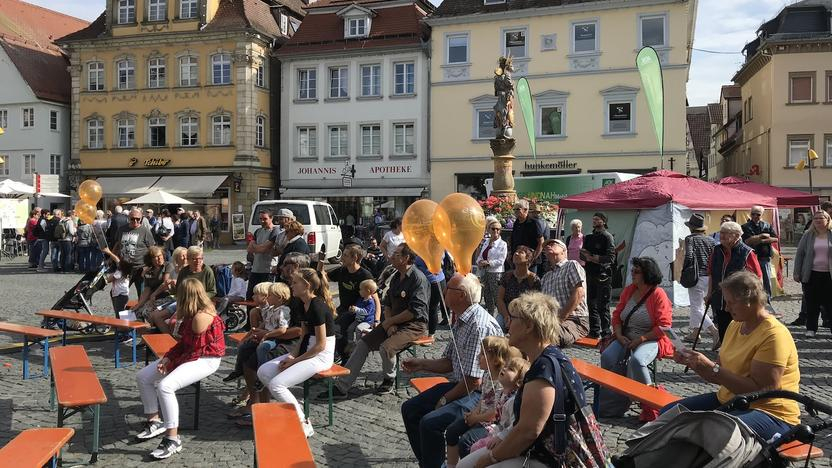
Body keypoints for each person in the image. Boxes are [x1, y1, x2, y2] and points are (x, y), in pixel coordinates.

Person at [663, 271, 799, 441]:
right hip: (732, 401)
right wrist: (695, 363)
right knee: (668, 415)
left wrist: (712, 368)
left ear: (750, 300)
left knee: (709, 432)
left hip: (770, 412)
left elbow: (762, 391)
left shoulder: (773, 334)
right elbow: (720, 374)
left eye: (731, 303)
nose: (726, 308)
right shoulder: (735, 325)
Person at [458, 291, 588, 468]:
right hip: (537, 451)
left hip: (552, 459)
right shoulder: (544, 359)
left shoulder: (544, 368)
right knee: (464, 465)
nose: (508, 323)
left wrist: (490, 458)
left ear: (528, 326)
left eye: (513, 318)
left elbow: (528, 431)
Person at [401, 273, 504, 468]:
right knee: (410, 409)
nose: (444, 290)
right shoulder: (462, 318)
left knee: (430, 423)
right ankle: (430, 463)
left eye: (448, 288)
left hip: (480, 392)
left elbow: (474, 381)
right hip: (463, 384)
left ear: (461, 295)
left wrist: (444, 399)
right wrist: (421, 364)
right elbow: (450, 362)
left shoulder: (478, 325)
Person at [135, 278, 225, 459]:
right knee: (143, 377)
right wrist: (168, 358)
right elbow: (184, 345)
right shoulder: (194, 312)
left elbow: (193, 351)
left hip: (207, 359)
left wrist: (171, 363)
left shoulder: (200, 317)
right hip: (193, 354)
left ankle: (172, 438)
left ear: (184, 296)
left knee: (165, 386)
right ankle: (154, 421)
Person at [331, 243, 430, 397]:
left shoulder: (418, 279)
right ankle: (342, 386)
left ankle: (389, 379)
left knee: (386, 347)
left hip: (413, 325)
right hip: (393, 322)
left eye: (396, 254)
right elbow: (387, 303)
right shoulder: (396, 276)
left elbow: (414, 312)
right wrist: (389, 323)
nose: (391, 256)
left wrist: (390, 322)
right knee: (363, 343)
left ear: (406, 258)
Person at [257, 268, 336, 438]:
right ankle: (295, 406)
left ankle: (303, 422)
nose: (291, 285)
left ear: (306, 285)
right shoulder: (302, 304)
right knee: (263, 371)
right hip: (307, 350)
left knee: (277, 385)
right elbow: (303, 337)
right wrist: (292, 355)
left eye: (295, 283)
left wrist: (293, 361)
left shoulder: (317, 306)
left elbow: (320, 345)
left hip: (321, 356)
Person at [599, 257, 674, 417]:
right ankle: (611, 404)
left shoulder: (658, 294)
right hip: (625, 336)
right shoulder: (629, 290)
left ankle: (652, 403)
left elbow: (664, 325)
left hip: (651, 338)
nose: (632, 273)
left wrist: (641, 339)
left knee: (637, 360)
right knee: (607, 357)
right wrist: (619, 335)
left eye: (636, 271)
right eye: (632, 270)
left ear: (647, 274)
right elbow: (617, 316)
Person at [445, 336, 521, 467]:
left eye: (482, 354)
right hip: (480, 417)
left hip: (492, 423)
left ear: (495, 360)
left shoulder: (501, 383)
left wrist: (476, 418)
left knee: (466, 442)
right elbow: (483, 399)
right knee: (452, 431)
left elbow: (496, 413)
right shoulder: (487, 375)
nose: (477, 357)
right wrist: (474, 413)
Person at [317, 244, 377, 361]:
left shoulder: (365, 275)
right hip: (343, 309)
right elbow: (323, 277)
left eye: (345, 255)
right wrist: (321, 261)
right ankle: (339, 353)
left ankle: (345, 355)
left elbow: (375, 298)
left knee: (335, 329)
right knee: (325, 324)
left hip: (357, 312)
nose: (342, 258)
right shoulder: (342, 270)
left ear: (354, 258)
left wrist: (377, 320)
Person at [707, 221, 762, 344]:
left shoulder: (747, 252)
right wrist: (709, 293)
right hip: (719, 298)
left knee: (738, 330)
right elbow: (711, 273)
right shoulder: (716, 250)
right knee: (723, 328)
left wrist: (752, 299)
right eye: (721, 232)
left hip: (738, 300)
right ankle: (724, 349)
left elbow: (757, 278)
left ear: (737, 235)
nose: (722, 236)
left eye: (726, 233)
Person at [467, 356, 530, 455]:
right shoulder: (501, 393)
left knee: (473, 446)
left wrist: (499, 436)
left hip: (505, 438)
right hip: (497, 430)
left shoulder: (513, 401)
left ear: (519, 381)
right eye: (506, 366)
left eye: (510, 369)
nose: (504, 368)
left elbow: (514, 424)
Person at [150, 246, 216, 334]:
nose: (198, 261)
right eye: (194, 259)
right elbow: (177, 292)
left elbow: (212, 291)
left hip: (201, 303)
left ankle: (178, 338)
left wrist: (197, 297)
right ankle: (170, 339)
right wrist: (171, 287)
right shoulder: (184, 271)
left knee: (175, 322)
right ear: (188, 259)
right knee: (156, 316)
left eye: (200, 258)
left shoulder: (207, 271)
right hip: (183, 302)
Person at [540, 239, 589, 347]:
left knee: (546, 336)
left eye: (553, 244)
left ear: (564, 251)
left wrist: (559, 319)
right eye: (546, 246)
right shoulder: (546, 277)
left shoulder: (571, 265)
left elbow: (579, 293)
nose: (548, 246)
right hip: (552, 321)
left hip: (574, 319)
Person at [792, 202, 832, 327]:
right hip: (811, 273)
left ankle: (828, 323)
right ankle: (810, 327)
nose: (818, 220)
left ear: (827, 220)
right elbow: (800, 254)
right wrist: (797, 272)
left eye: (821, 218)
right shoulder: (808, 235)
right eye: (816, 218)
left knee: (829, 303)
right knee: (811, 302)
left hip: (829, 274)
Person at [682, 213, 719, 344]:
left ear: (691, 227)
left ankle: (714, 331)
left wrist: (683, 269)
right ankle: (695, 333)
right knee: (698, 305)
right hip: (709, 277)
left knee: (697, 307)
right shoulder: (711, 240)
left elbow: (689, 256)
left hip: (696, 276)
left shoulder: (690, 239)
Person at [104, 208, 155, 296]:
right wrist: (110, 259)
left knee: (142, 295)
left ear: (141, 219)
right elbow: (117, 245)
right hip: (125, 268)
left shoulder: (145, 231)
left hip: (140, 269)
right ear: (128, 218)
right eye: (132, 218)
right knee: (117, 293)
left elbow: (152, 249)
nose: (135, 221)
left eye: (138, 219)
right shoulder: (122, 229)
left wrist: (149, 266)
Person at [581, 212, 616, 338]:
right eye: (593, 219)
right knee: (591, 304)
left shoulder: (607, 237)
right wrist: (585, 255)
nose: (595, 221)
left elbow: (611, 258)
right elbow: (582, 254)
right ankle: (594, 330)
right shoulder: (589, 237)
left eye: (597, 219)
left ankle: (606, 331)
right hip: (590, 273)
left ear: (603, 221)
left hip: (603, 274)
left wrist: (596, 258)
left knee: (603, 305)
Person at [496, 246, 540, 331]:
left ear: (528, 259)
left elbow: (535, 304)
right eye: (516, 252)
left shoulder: (534, 280)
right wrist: (506, 316)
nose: (516, 253)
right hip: (505, 313)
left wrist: (518, 319)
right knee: (497, 326)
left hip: (523, 317)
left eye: (521, 252)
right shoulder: (507, 276)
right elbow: (500, 299)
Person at [742, 206, 778, 299]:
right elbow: (747, 241)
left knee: (766, 281)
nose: (755, 216)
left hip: (764, 257)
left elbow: (775, 239)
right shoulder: (745, 226)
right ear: (750, 214)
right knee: (752, 281)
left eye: (758, 214)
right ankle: (754, 300)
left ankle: (767, 300)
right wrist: (762, 236)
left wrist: (761, 240)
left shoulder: (767, 225)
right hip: (751, 258)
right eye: (753, 214)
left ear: (761, 215)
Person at [132, 246, 174, 322]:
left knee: (146, 312)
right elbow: (146, 290)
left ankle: (154, 327)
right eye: (156, 257)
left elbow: (165, 284)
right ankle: (141, 329)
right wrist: (138, 305)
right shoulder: (149, 271)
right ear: (151, 259)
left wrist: (153, 295)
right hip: (153, 298)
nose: (159, 258)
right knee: (136, 312)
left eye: (160, 255)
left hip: (166, 297)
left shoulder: (168, 265)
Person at [476, 220, 507, 317]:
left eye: (498, 229)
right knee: (487, 295)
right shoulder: (486, 242)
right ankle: (490, 315)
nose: (496, 231)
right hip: (484, 272)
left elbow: (501, 261)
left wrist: (488, 263)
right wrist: (479, 262)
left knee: (497, 296)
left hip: (495, 273)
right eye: (493, 229)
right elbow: (480, 255)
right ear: (489, 230)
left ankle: (501, 317)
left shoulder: (503, 244)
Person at [247, 210, 278, 300]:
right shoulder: (258, 231)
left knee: (265, 297)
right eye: (260, 219)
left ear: (271, 218)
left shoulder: (275, 231)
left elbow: (264, 249)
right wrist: (260, 248)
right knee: (250, 296)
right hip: (255, 269)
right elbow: (249, 249)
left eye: (265, 219)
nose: (262, 221)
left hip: (267, 270)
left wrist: (257, 247)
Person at [414, 254, 447, 336]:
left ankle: (431, 334)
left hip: (434, 282)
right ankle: (422, 331)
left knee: (432, 308)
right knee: (424, 308)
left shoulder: (432, 250)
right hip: (427, 281)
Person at [509, 200, 544, 274]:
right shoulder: (516, 223)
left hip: (530, 262)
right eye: (514, 209)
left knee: (530, 280)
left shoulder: (533, 223)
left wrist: (533, 258)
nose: (515, 211)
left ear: (525, 210)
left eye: (518, 209)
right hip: (517, 260)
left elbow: (541, 242)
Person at [346, 279, 379, 347]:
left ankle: (358, 344)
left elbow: (366, 312)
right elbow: (357, 308)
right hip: (358, 320)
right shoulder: (360, 299)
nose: (359, 291)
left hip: (367, 321)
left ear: (367, 291)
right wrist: (352, 310)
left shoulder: (370, 302)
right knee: (350, 328)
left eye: (361, 289)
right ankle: (350, 343)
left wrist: (356, 309)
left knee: (358, 329)